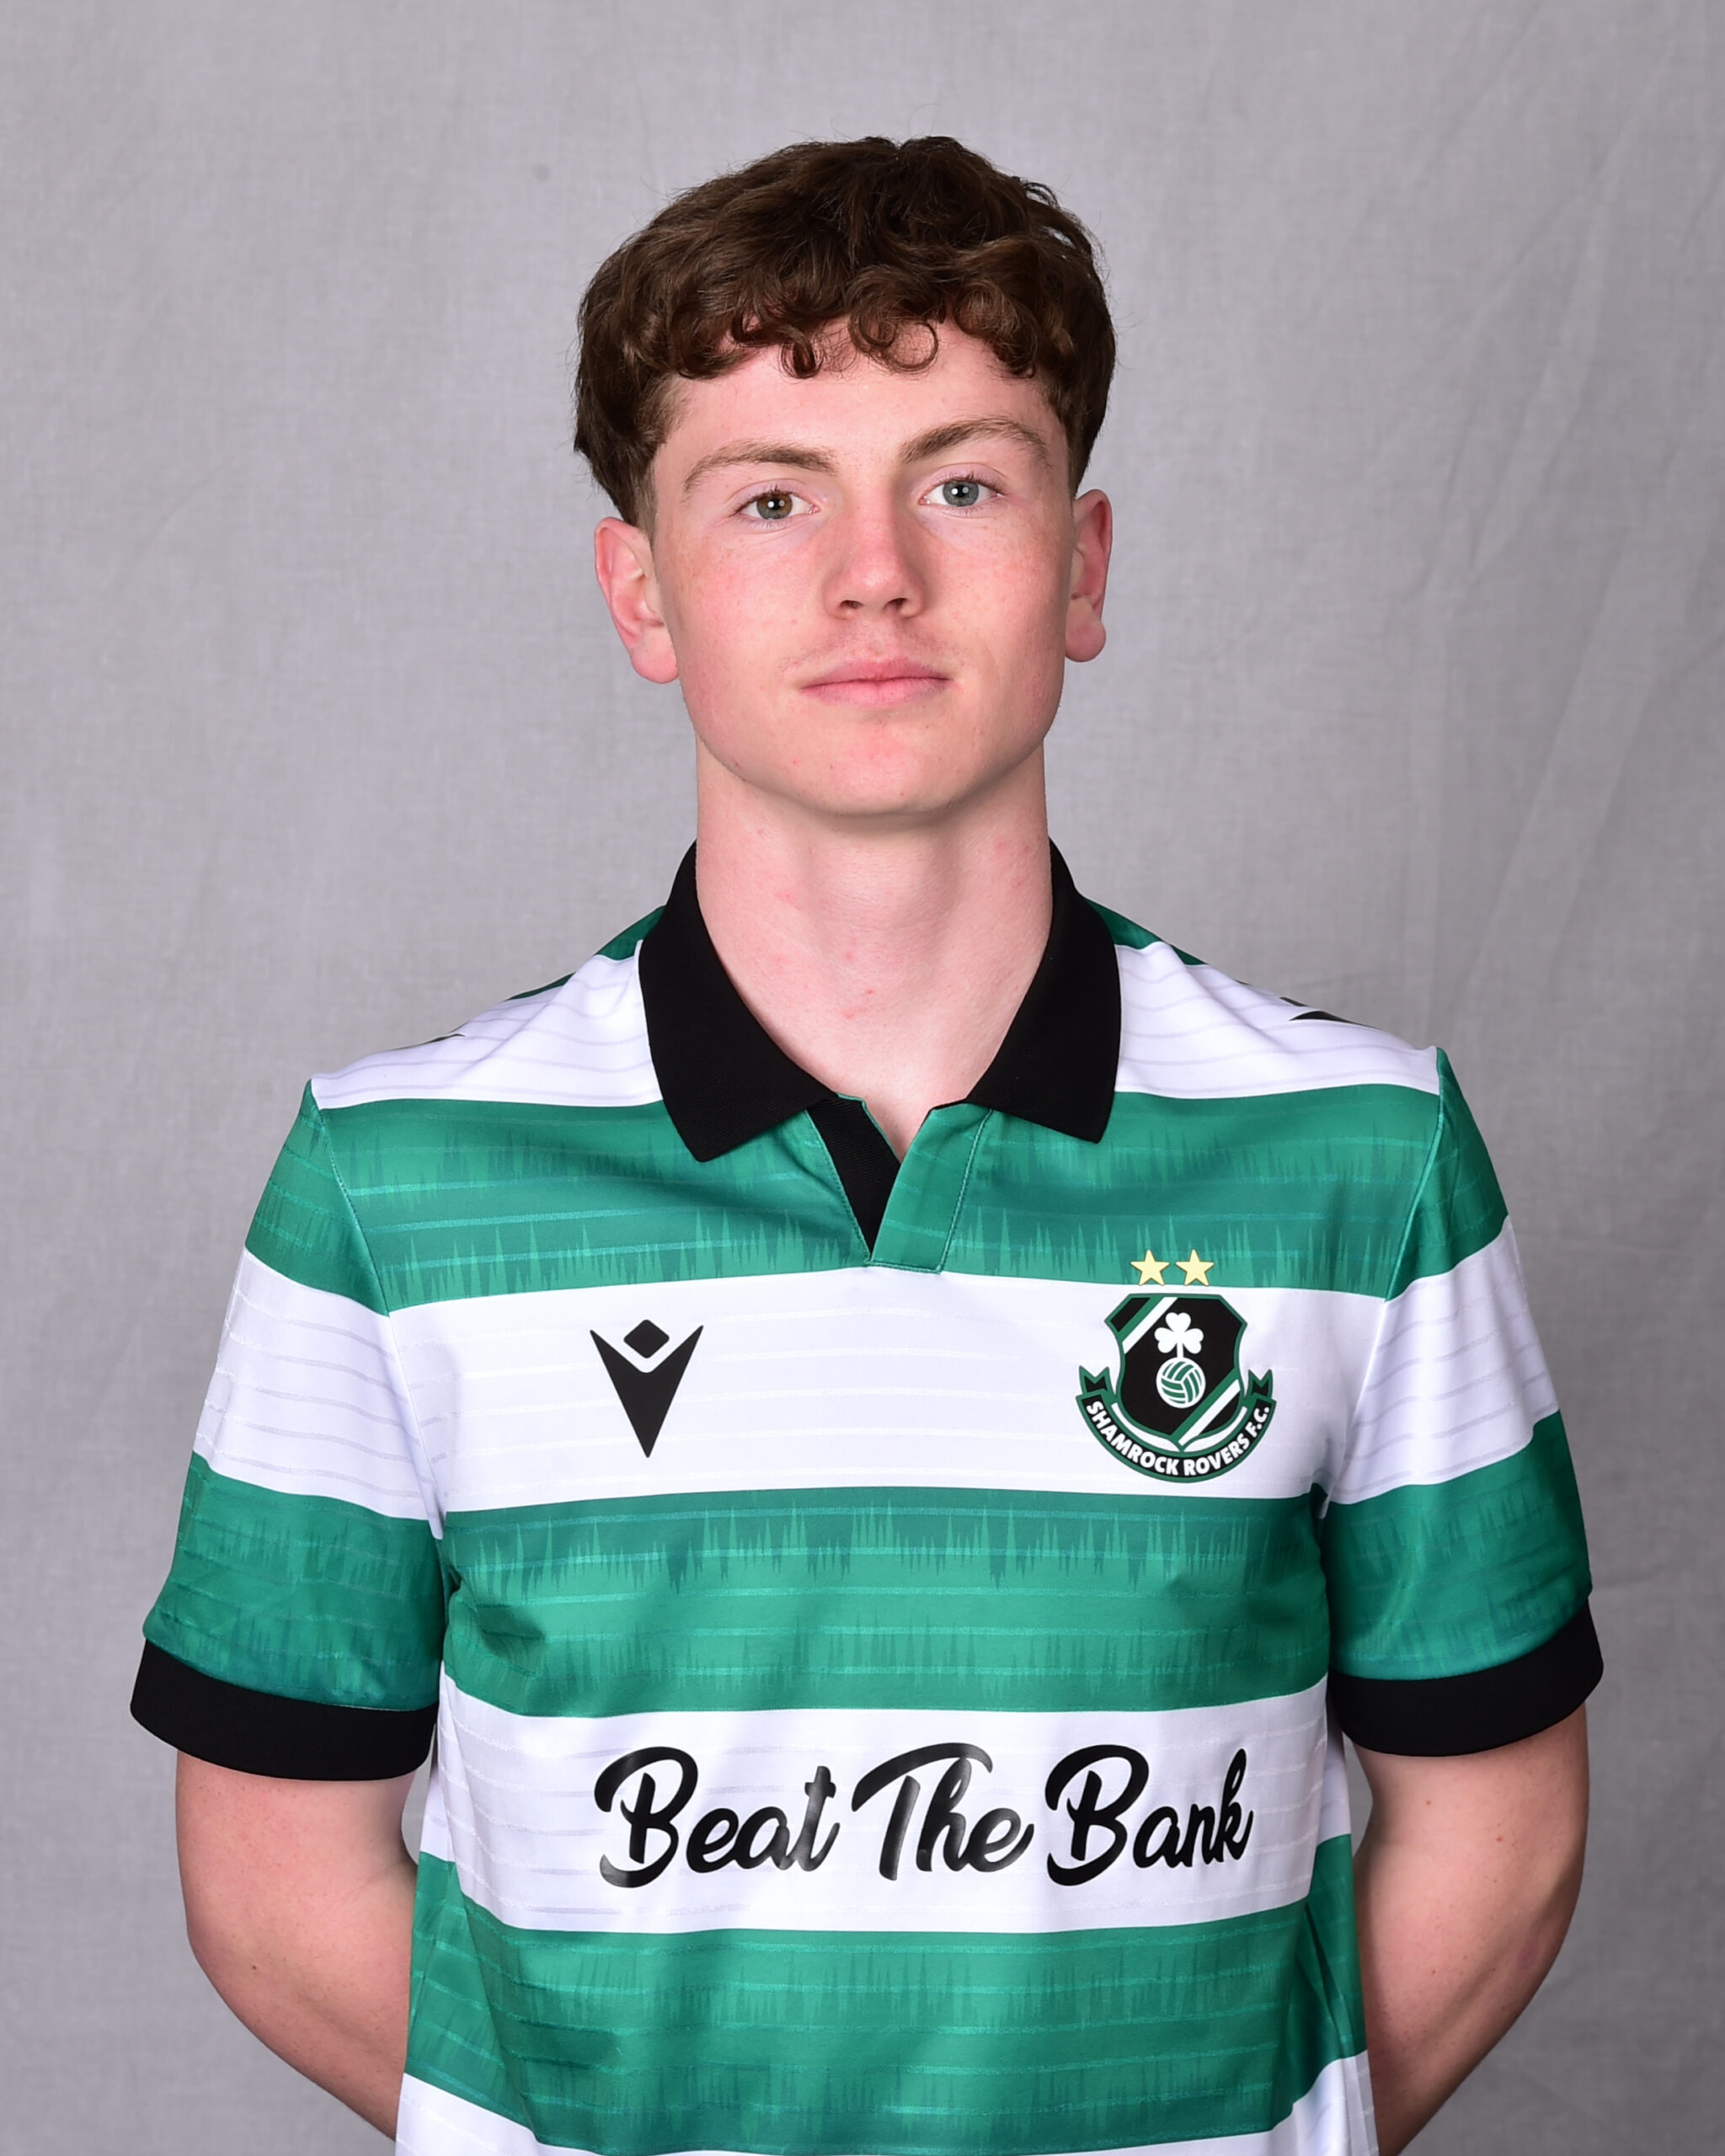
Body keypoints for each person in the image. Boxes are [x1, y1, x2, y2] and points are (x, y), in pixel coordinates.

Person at [131, 136, 1599, 2156]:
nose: (874, 572)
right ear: (640, 590)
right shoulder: (389, 1186)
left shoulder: (1368, 1153)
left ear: (1082, 566)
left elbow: (1497, 1834)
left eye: (963, 478)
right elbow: (279, 1887)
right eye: (769, 496)